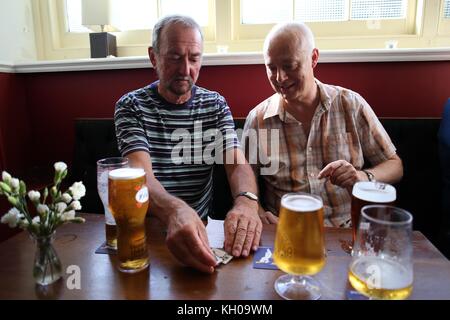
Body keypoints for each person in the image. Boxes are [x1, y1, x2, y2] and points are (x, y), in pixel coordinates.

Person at [114, 15, 261, 273]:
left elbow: (236, 164)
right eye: (174, 57)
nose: (185, 70)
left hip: (200, 234)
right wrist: (174, 210)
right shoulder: (131, 106)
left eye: (194, 58)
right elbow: (140, 176)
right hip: (145, 235)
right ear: (153, 57)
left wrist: (247, 202)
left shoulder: (215, 104)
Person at [242, 22, 403, 227]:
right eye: (271, 68)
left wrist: (362, 177)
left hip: (347, 232)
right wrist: (258, 213)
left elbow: (395, 166)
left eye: (289, 66)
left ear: (314, 58)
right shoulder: (257, 120)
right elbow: (244, 187)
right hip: (286, 233)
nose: (280, 78)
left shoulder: (350, 104)